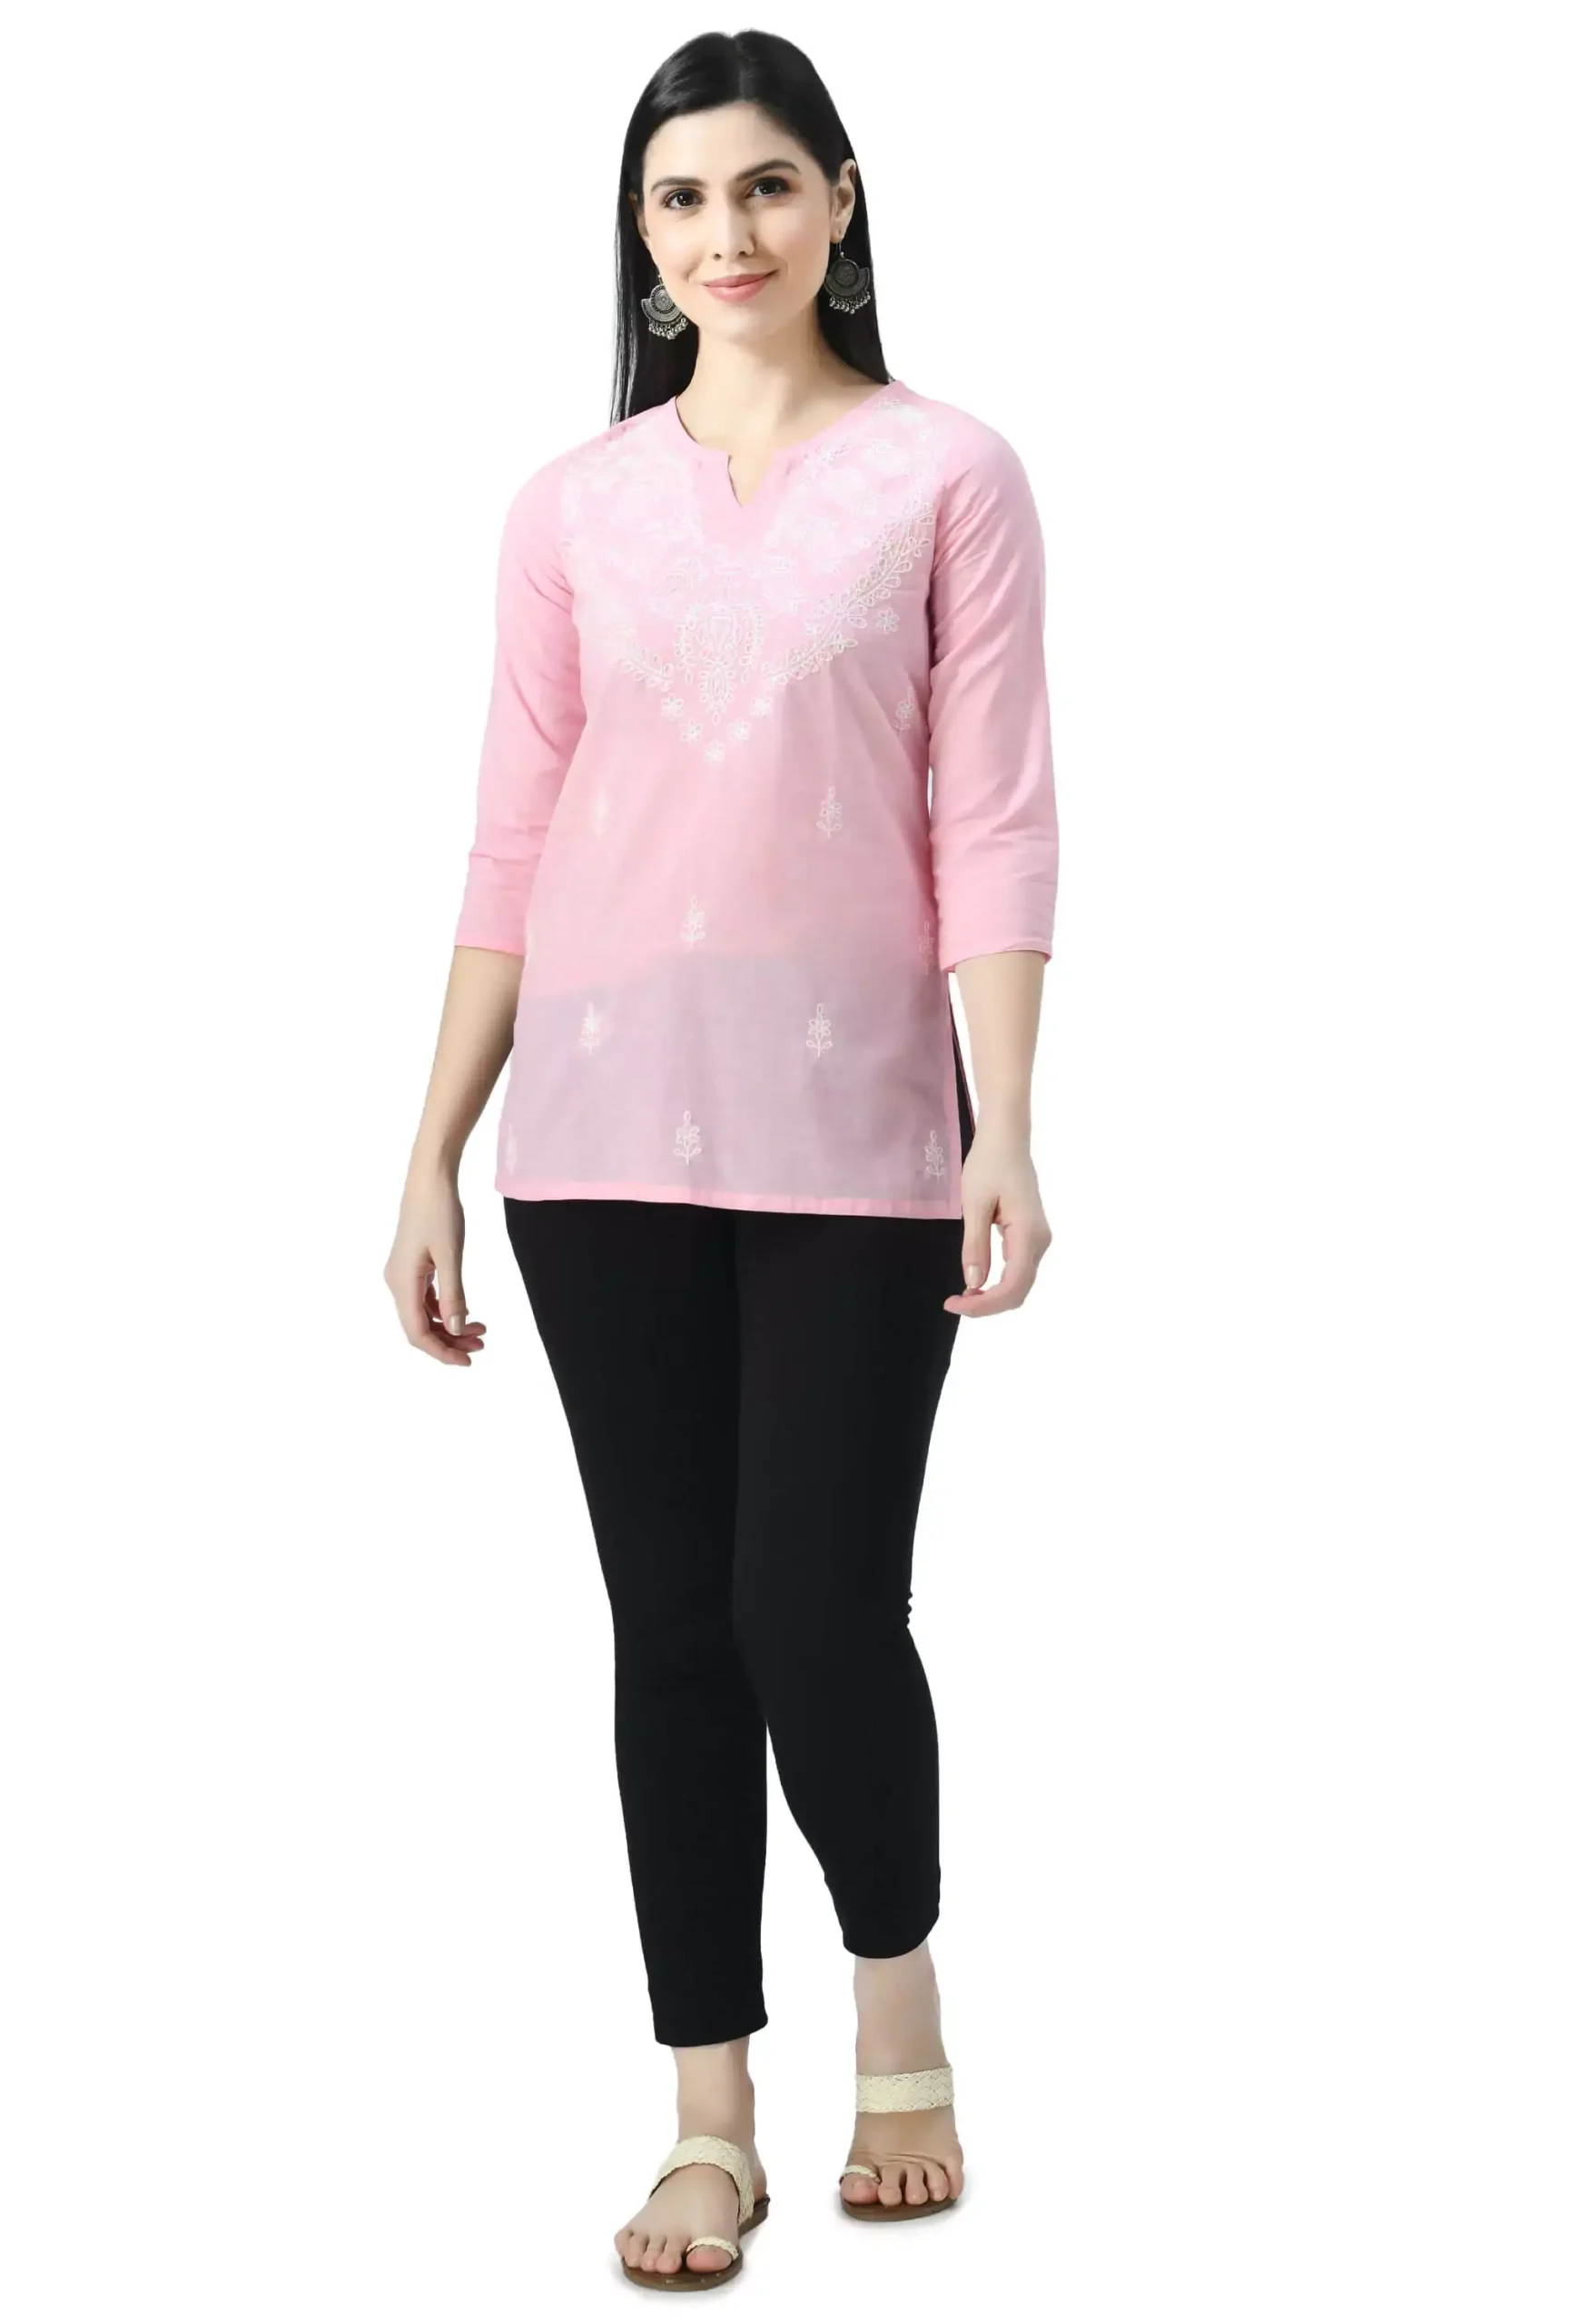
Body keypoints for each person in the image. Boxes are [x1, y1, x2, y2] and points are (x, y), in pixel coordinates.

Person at [384, 27, 1059, 2294]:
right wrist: (432, 1142)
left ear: (839, 201)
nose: (724, 233)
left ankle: (901, 2022)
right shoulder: (567, 507)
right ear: (640, 236)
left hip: (859, 1127)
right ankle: (706, 2113)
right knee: (670, 1621)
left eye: (765, 185)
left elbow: (989, 812)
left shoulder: (948, 472)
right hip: (593, 1130)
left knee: (811, 1604)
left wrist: (1004, 1115)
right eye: (680, 198)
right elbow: (509, 834)